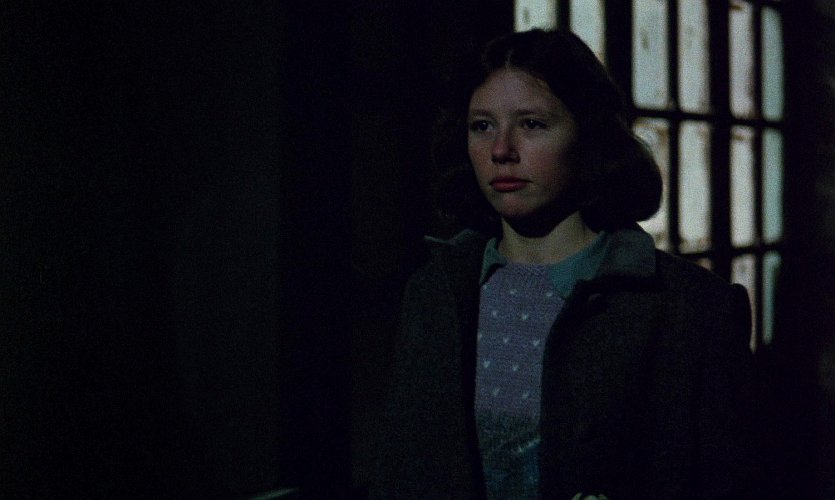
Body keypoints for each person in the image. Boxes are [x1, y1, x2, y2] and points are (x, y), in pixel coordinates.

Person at [371, 29, 761, 499]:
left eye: (532, 124)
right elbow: (400, 473)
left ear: (588, 136)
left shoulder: (691, 309)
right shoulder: (436, 292)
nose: (501, 150)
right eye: (482, 126)